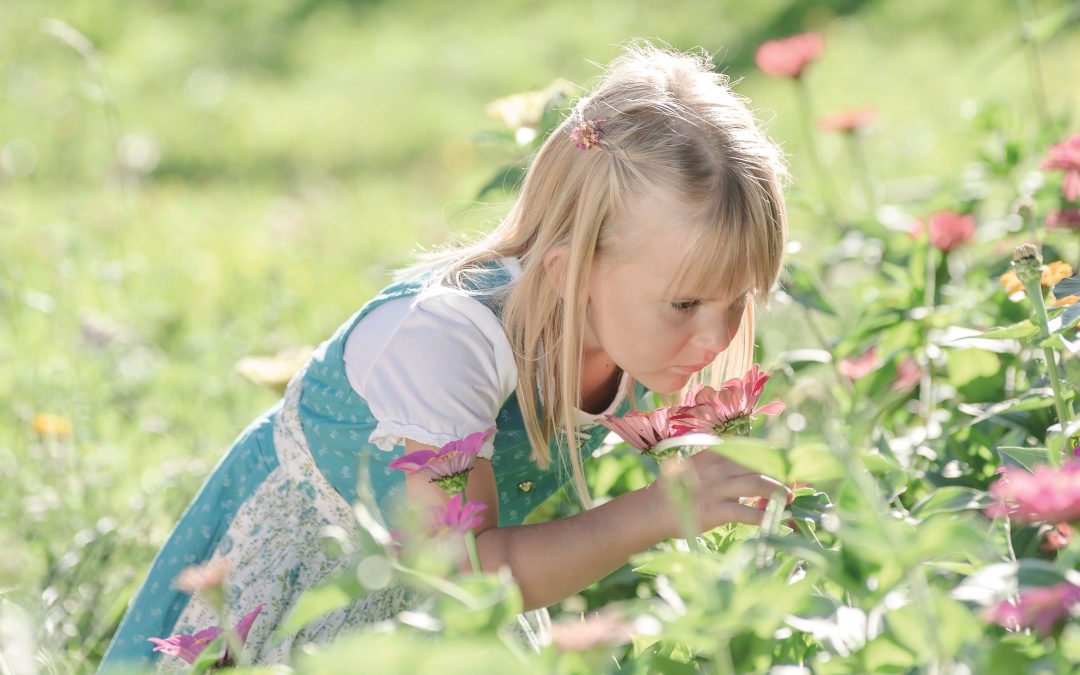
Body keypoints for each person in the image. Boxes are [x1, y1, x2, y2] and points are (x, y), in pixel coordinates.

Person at [99, 40, 793, 672]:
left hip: (449, 614)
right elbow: (461, 576)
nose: (717, 337)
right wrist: (661, 508)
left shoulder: (631, 328)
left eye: (738, 300)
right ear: (569, 272)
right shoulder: (445, 343)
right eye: (685, 304)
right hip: (311, 596)